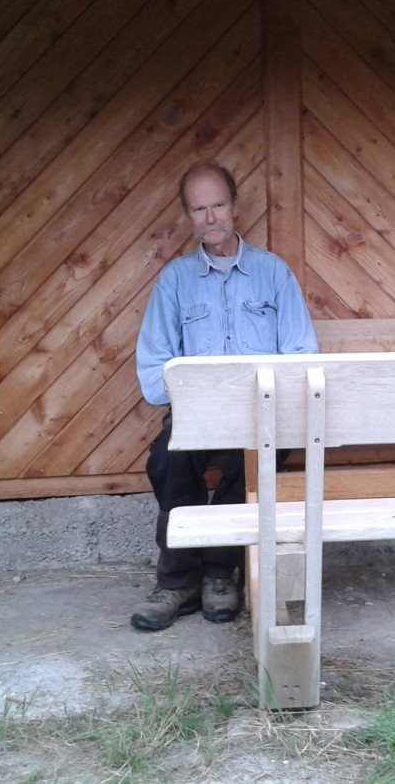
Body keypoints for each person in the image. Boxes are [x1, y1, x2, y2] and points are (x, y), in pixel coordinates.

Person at [132, 161, 318, 631]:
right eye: (200, 209)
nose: (211, 217)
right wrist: (193, 398)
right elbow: (153, 370)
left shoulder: (273, 274)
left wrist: (266, 395)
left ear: (235, 207)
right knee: (167, 461)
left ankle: (219, 575)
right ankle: (177, 582)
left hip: (264, 414)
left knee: (254, 462)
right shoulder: (174, 281)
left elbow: (301, 354)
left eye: (218, 205)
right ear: (188, 216)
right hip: (196, 412)